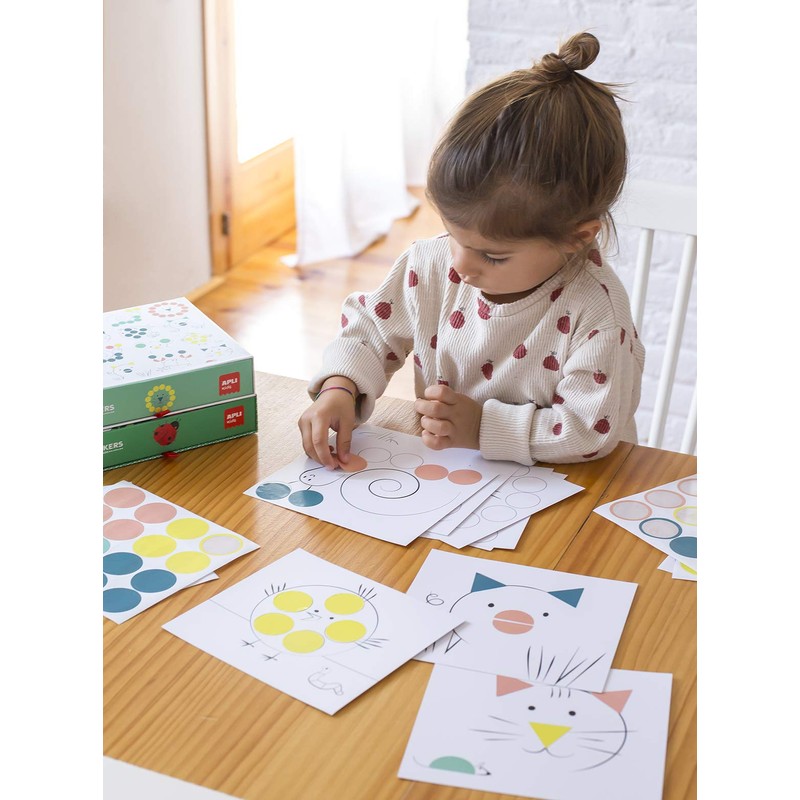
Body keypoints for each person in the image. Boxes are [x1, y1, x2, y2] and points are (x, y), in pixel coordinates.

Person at [299, 31, 644, 470]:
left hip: (573, 487)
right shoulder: (430, 265)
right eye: (452, 234)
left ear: (577, 237)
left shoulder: (596, 313)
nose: (461, 265)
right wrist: (340, 387)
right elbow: (371, 332)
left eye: (492, 255)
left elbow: (588, 431)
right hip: (453, 477)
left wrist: (483, 427)